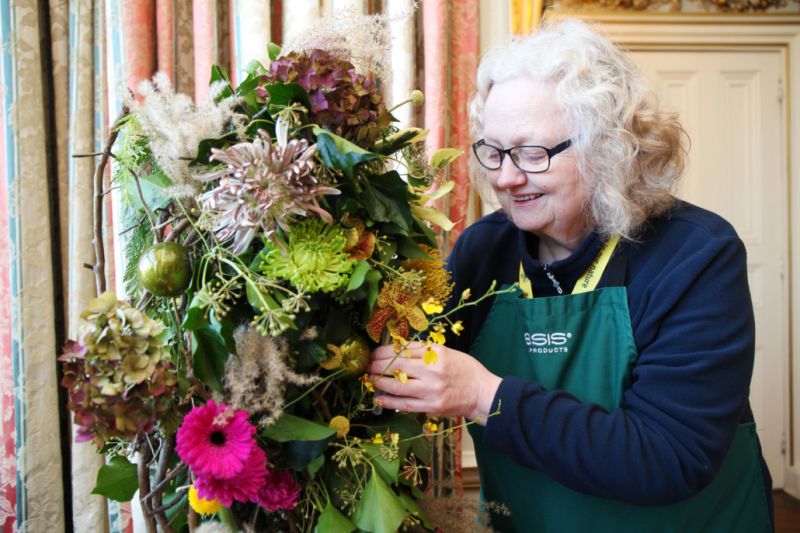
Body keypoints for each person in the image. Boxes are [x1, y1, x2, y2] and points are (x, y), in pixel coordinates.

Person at [369, 18, 774, 532]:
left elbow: (670, 457)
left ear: (608, 148)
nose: (505, 177)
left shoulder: (695, 254)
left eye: (532, 153)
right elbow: (406, 365)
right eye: (493, 152)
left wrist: (483, 396)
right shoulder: (483, 251)